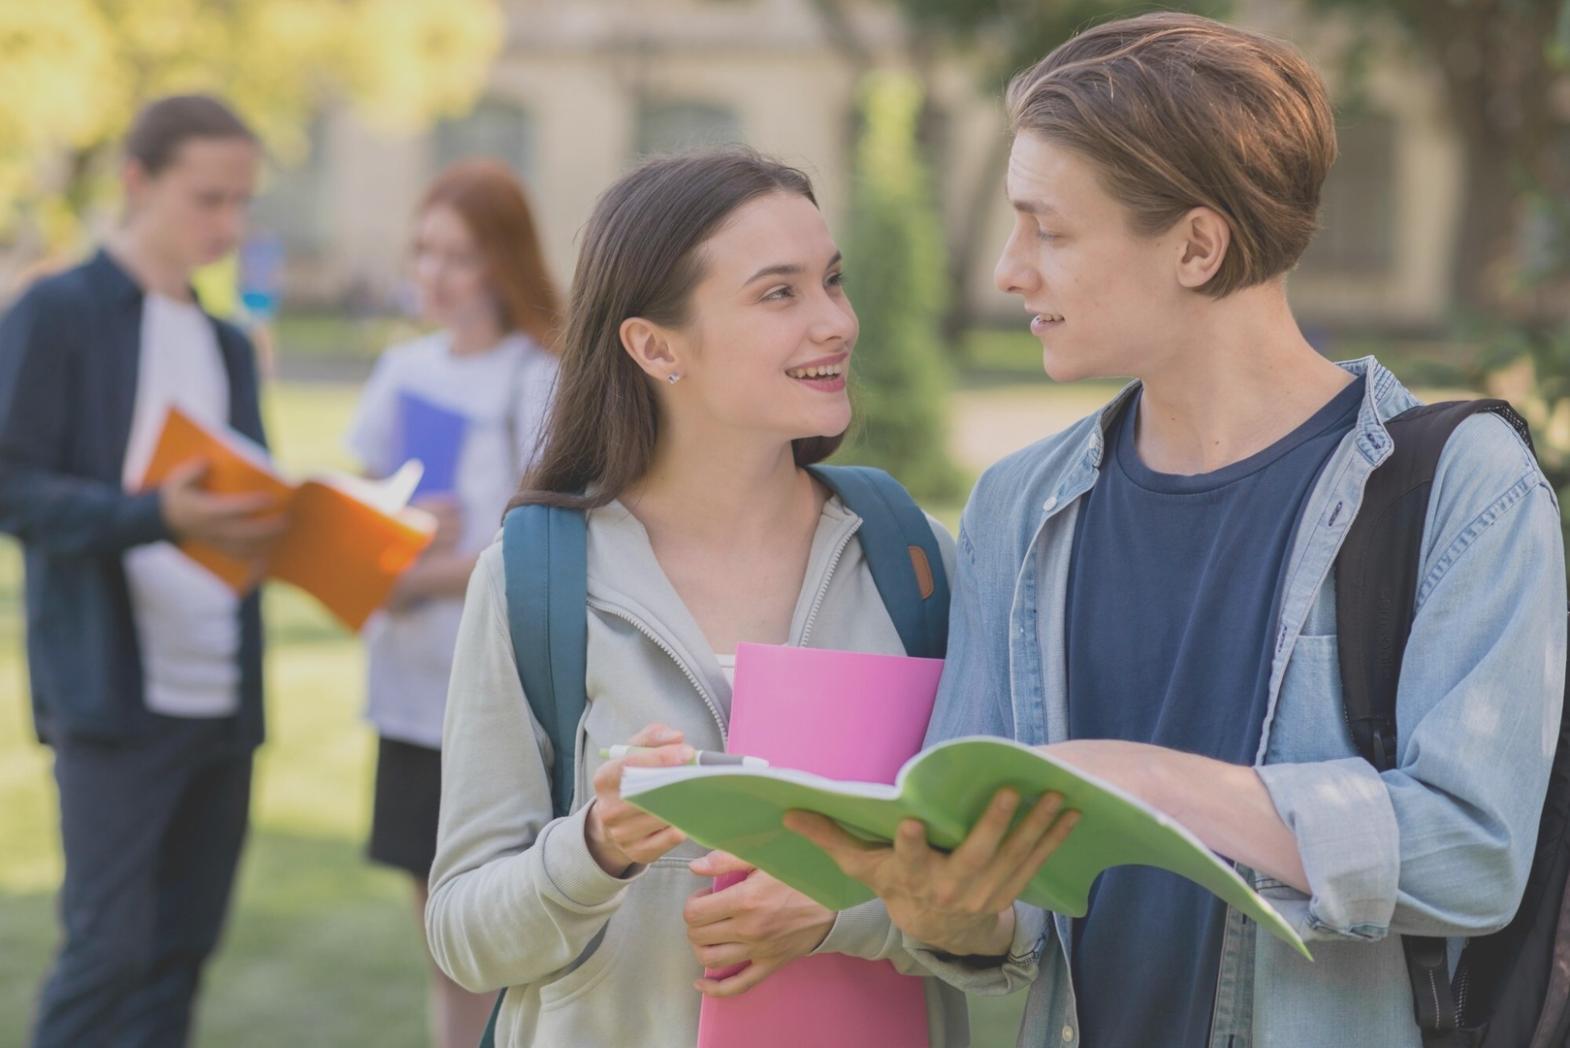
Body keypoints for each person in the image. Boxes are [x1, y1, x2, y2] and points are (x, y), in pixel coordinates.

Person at [788, 13, 1567, 1048]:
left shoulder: (1462, 487)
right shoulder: (1018, 506)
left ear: (1197, 247)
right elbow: (1004, 913)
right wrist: (948, 912)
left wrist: (1154, 783)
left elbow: (1475, 854)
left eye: (1049, 230)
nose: (1009, 270)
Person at [423, 148, 967, 1047]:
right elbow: (464, 936)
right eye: (779, 293)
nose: (836, 322)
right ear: (654, 347)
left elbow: (1015, 914)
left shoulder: (914, 563)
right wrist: (596, 847)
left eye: (832, 281)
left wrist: (846, 913)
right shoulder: (533, 578)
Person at [0, 94, 284, 1047]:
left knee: (179, 960)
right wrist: (155, 516)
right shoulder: (56, 313)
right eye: (208, 198)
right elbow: (12, 487)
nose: (229, 225)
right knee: (108, 955)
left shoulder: (228, 342)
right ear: (136, 182)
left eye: (242, 201)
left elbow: (248, 497)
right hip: (112, 693)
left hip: (223, 695)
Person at [343, 158, 561, 1048]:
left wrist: (415, 575)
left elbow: (543, 549)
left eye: (459, 256)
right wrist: (387, 538)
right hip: (409, 689)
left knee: (509, 936)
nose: (434, 274)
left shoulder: (538, 377)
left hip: (496, 698)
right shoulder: (401, 369)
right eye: (423, 250)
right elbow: (359, 510)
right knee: (440, 934)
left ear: (504, 261)